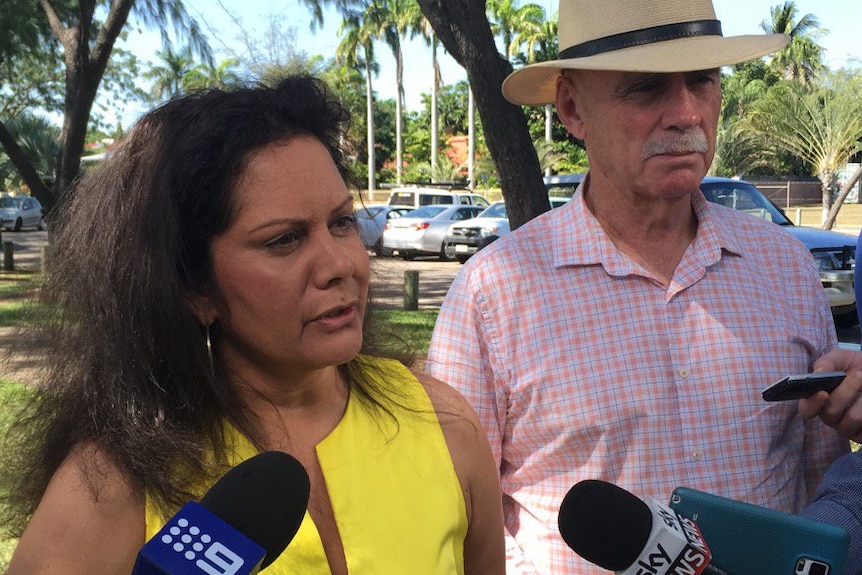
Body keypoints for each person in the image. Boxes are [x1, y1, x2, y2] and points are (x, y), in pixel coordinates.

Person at [1, 75, 505, 575]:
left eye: (341, 222)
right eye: (284, 240)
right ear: (194, 288)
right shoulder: (112, 483)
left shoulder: (443, 422)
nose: (340, 265)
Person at [426, 0, 860, 572]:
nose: (685, 113)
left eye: (702, 81)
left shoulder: (784, 266)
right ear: (573, 108)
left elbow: (817, 480)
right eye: (646, 88)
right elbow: (453, 516)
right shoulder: (492, 294)